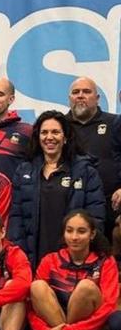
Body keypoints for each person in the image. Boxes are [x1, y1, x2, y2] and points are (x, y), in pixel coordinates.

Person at [9, 110, 105, 266]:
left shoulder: (86, 172)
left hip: (72, 261)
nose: (49, 137)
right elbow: (16, 219)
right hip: (32, 258)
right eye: (44, 132)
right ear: (38, 137)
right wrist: (20, 259)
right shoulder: (24, 171)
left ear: (65, 137)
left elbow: (96, 218)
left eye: (55, 132)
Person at [28, 210, 118, 330]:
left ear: (92, 234)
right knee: (36, 286)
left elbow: (109, 306)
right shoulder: (50, 260)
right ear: (64, 234)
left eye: (81, 231)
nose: (74, 237)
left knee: (86, 287)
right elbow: (31, 307)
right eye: (69, 231)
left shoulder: (105, 261)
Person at [65, 77, 119, 237]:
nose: (80, 95)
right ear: (69, 98)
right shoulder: (59, 127)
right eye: (76, 92)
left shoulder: (115, 123)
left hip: (112, 205)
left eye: (86, 92)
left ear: (97, 98)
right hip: (70, 206)